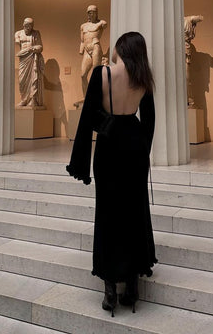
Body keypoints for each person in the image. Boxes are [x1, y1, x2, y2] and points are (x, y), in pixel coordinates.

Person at [67, 31, 157, 317]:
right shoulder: (144, 78)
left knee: (107, 213)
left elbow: (89, 116)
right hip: (134, 148)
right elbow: (150, 122)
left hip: (108, 148)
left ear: (120, 47)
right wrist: (143, 149)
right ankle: (132, 286)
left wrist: (84, 156)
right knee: (134, 212)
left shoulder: (102, 73)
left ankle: (109, 292)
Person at [15, 17, 45, 107]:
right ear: (23, 24)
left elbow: (40, 47)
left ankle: (33, 99)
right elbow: (17, 44)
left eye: (30, 26)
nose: (28, 28)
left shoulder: (36, 33)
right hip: (23, 59)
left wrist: (33, 48)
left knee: (33, 79)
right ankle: (24, 99)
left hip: (32, 57)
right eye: (27, 25)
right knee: (22, 80)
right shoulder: (18, 33)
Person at [79, 5, 107, 96]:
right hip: (87, 50)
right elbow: (82, 41)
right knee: (83, 75)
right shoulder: (83, 26)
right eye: (88, 13)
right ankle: (86, 97)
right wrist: (81, 50)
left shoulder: (101, 22)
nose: (89, 14)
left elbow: (105, 24)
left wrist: (102, 23)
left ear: (95, 13)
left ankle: (96, 96)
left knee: (96, 74)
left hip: (95, 47)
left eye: (91, 12)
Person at [184, 15, 203, 107]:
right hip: (174, 51)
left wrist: (192, 19)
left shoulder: (186, 20)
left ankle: (190, 101)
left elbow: (201, 18)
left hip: (185, 51)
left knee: (186, 77)